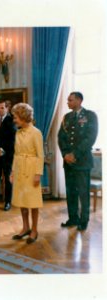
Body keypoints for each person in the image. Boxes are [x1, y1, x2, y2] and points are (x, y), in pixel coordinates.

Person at [58, 92, 98, 231]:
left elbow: (90, 138)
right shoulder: (66, 118)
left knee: (83, 192)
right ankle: (73, 218)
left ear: (79, 100)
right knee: (71, 192)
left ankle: (83, 220)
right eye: (68, 100)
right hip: (68, 162)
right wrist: (65, 154)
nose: (68, 102)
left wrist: (74, 154)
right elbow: (61, 137)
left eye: (70, 100)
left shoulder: (90, 116)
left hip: (82, 161)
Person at [10, 103, 44, 244]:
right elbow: (16, 154)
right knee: (22, 201)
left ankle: (34, 230)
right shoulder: (18, 133)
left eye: (15, 117)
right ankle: (25, 228)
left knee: (33, 202)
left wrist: (38, 174)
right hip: (19, 169)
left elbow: (40, 155)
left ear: (23, 117)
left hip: (31, 170)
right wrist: (12, 171)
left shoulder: (36, 133)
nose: (14, 120)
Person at [0, 99, 16, 211]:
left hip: (7, 155)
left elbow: (13, 139)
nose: (0, 110)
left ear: (7, 108)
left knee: (8, 178)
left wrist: (3, 149)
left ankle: (7, 202)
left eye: (2, 108)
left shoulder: (12, 120)